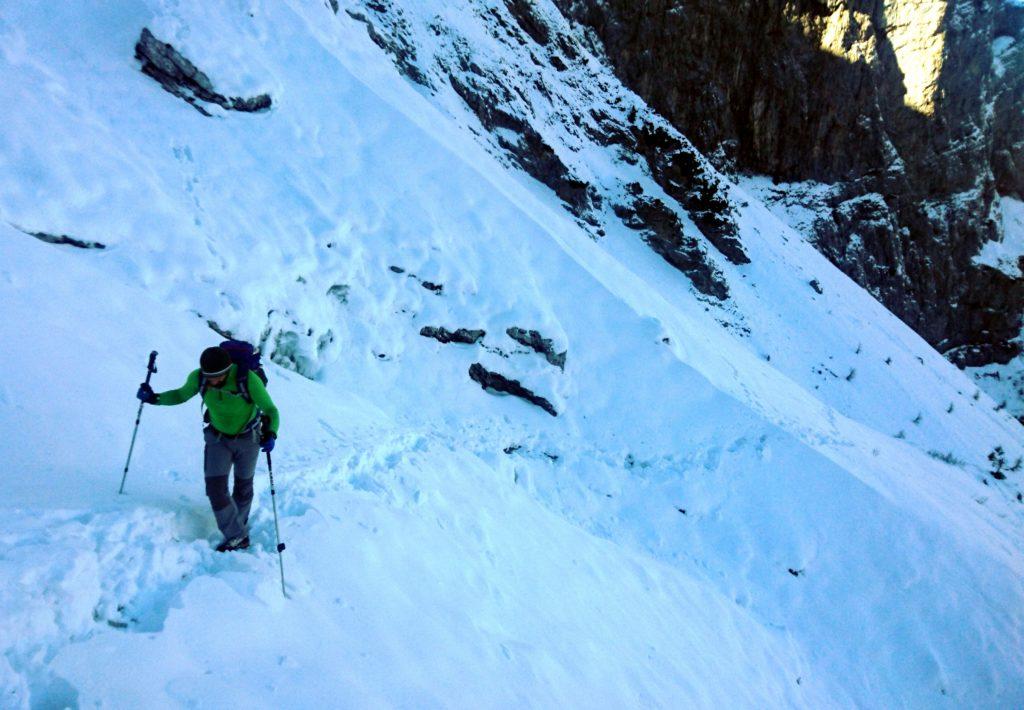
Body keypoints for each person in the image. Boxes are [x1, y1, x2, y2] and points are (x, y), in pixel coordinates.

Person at [136, 346, 280, 552]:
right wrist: (154, 398)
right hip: (217, 438)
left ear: (227, 370)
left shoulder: (247, 379)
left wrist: (271, 433)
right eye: (208, 376)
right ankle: (237, 535)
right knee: (215, 488)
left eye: (216, 376)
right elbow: (180, 395)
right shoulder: (200, 378)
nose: (211, 381)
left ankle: (237, 530)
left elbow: (271, 410)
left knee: (243, 486)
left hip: (248, 439)